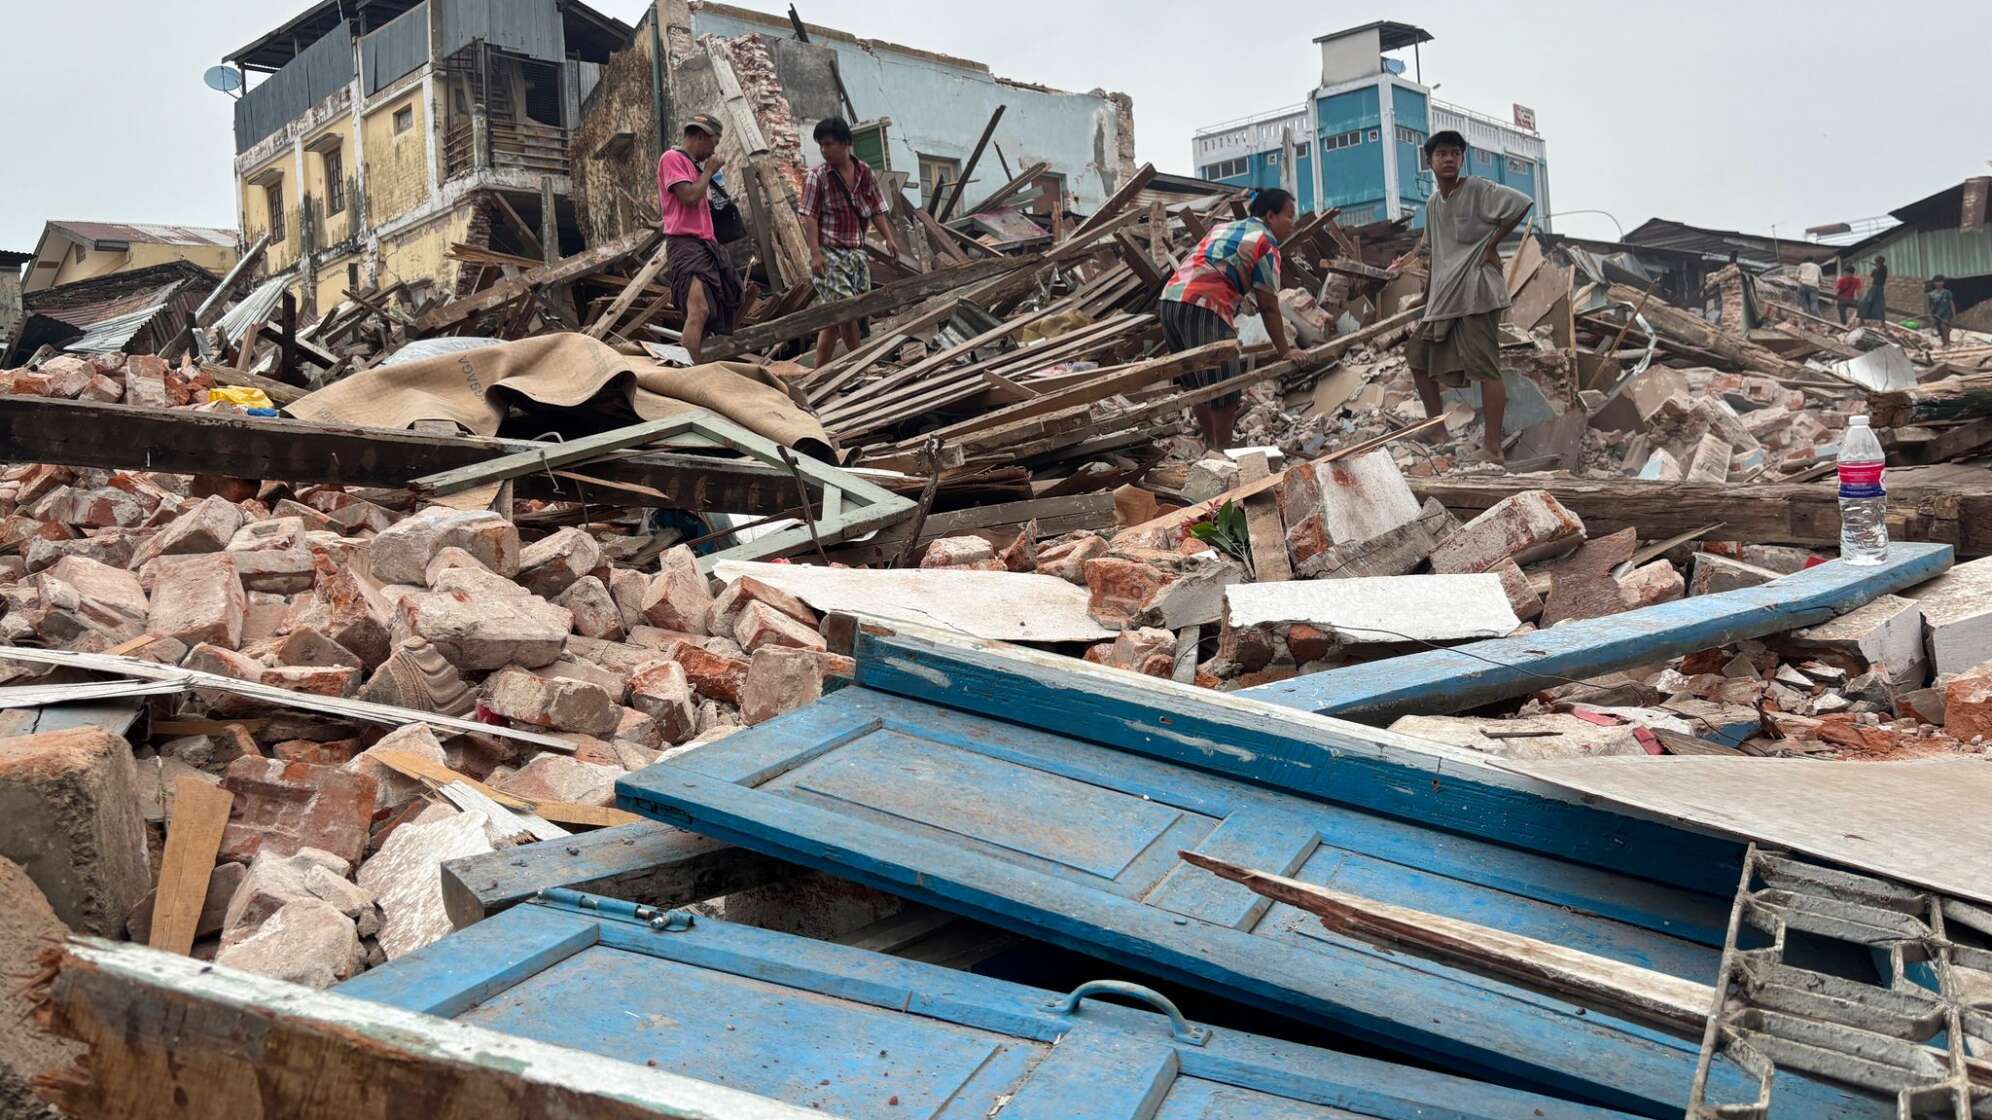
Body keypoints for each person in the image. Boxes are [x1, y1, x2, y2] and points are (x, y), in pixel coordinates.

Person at [1387, 130, 1534, 467]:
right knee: (1418, 356)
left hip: (1476, 293)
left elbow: (1520, 204)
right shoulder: (1434, 203)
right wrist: (1413, 277)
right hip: (1445, 298)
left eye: (1455, 153)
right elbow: (1429, 247)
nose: (1449, 158)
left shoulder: (1478, 189)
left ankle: (1493, 447)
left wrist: (1493, 244)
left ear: (1461, 159)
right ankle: (1437, 429)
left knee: (1485, 368)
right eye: (1442, 154)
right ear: (1430, 162)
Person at [1155, 187, 1305, 450]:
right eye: (1289, 216)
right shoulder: (1266, 243)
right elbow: (1268, 306)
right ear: (1271, 215)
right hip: (1206, 304)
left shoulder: (1223, 228)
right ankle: (1222, 457)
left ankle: (1212, 447)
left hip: (1170, 300)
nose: (1292, 224)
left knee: (1197, 385)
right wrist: (1285, 351)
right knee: (1225, 390)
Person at [797, 116, 904, 369]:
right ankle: (860, 365)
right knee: (847, 310)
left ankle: (818, 371)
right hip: (829, 253)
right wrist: (815, 254)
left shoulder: (864, 172)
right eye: (821, 145)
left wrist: (889, 239)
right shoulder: (817, 177)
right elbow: (808, 217)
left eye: (829, 144)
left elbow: (877, 209)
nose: (824, 150)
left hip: (855, 253)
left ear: (845, 143)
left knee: (836, 319)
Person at [656, 113, 745, 363]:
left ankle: (694, 362)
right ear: (700, 137)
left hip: (705, 245)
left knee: (717, 308)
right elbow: (690, 197)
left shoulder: (692, 165)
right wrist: (708, 171)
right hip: (686, 245)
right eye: (713, 144)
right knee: (699, 310)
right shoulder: (671, 159)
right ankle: (690, 375)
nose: (712, 151)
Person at [1928, 275, 1956, 347]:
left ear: (1943, 283)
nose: (1939, 283)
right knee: (1939, 329)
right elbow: (1930, 306)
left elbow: (1951, 303)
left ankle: (1947, 344)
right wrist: (1931, 316)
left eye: (1940, 282)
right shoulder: (1931, 294)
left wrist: (1954, 314)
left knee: (1944, 327)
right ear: (1934, 283)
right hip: (1936, 314)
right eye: (1937, 282)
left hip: (1946, 314)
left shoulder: (1947, 293)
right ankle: (1944, 344)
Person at [1859, 255, 1889, 322]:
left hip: (1877, 288)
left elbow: (1871, 280)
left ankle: (1881, 323)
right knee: (1868, 303)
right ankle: (1862, 320)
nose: (1877, 264)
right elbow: (1871, 280)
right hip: (1876, 288)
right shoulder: (1877, 270)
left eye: (1877, 262)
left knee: (1873, 304)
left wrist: (1868, 261)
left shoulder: (1883, 269)